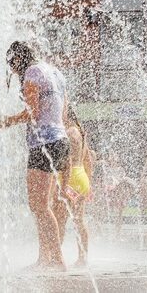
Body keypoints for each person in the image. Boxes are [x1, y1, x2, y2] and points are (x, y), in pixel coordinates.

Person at [0, 41, 69, 271]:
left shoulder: (31, 72)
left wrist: (7, 121)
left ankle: (56, 260)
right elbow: (63, 112)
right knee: (43, 205)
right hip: (61, 141)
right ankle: (45, 259)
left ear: (18, 59)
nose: (13, 70)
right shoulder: (55, 72)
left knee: (38, 205)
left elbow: (33, 112)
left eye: (12, 64)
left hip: (44, 143)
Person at [51, 106, 93, 267]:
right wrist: (88, 182)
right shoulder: (81, 132)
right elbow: (88, 158)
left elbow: (66, 161)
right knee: (79, 220)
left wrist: (63, 186)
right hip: (80, 176)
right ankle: (83, 258)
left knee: (59, 220)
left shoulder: (68, 133)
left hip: (70, 179)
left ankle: (56, 258)